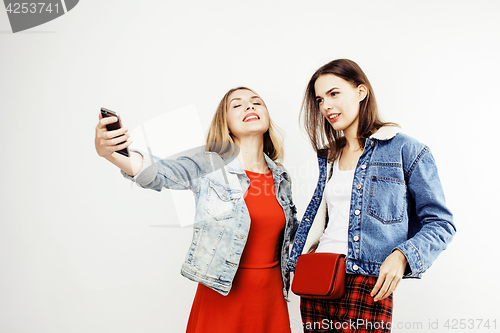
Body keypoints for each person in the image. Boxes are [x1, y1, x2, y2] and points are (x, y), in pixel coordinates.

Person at [94, 87, 299, 333]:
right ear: (226, 123)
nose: (250, 107)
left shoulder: (280, 176)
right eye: (237, 105)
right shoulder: (210, 166)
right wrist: (112, 154)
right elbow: (159, 172)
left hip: (271, 299)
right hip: (222, 299)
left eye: (257, 102)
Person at [286, 59, 456, 333]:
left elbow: (441, 223)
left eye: (334, 93)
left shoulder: (405, 149)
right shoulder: (329, 155)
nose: (326, 106)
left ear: (361, 91)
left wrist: (402, 256)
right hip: (318, 277)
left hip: (367, 280)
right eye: (319, 99)